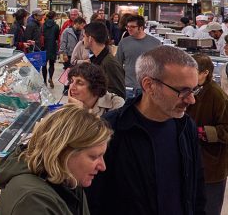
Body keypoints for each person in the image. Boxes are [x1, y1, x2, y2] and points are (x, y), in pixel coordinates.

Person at [87, 45, 206, 215]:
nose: (192, 100)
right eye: (183, 91)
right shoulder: (110, 130)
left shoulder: (186, 126)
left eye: (194, 90)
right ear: (149, 85)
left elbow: (197, 189)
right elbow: (93, 199)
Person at [0, 105, 111, 215]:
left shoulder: (69, 179)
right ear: (63, 152)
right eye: (94, 157)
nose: (102, 166)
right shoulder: (32, 201)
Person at [187, 53, 228, 215]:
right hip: (191, 162)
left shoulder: (218, 97)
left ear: (205, 73)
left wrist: (202, 132)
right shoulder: (190, 90)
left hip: (212, 167)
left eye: (193, 72)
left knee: (209, 209)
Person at [115, 15, 161, 98]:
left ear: (141, 27)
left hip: (147, 88)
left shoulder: (155, 43)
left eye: (132, 27)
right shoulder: (124, 42)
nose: (129, 29)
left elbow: (159, 66)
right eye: (127, 26)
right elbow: (117, 64)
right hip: (128, 87)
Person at [83, 21, 125, 98]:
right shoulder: (96, 60)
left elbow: (119, 94)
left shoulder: (109, 63)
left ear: (90, 39)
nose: (83, 40)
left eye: (84, 36)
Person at [42, 11, 60, 88]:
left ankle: (44, 81)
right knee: (52, 64)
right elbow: (57, 37)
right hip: (52, 46)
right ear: (54, 17)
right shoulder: (56, 26)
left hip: (44, 47)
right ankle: (50, 78)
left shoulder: (43, 25)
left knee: (44, 65)